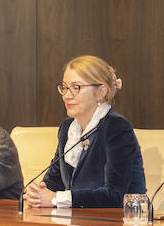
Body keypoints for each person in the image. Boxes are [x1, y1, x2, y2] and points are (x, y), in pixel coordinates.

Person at [23, 55, 145, 209]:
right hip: (78, 221)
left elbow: (115, 196)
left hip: (120, 223)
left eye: (76, 88)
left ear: (101, 92)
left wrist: (56, 199)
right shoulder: (67, 128)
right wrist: (38, 193)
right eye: (65, 87)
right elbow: (55, 179)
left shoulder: (117, 127)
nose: (67, 95)